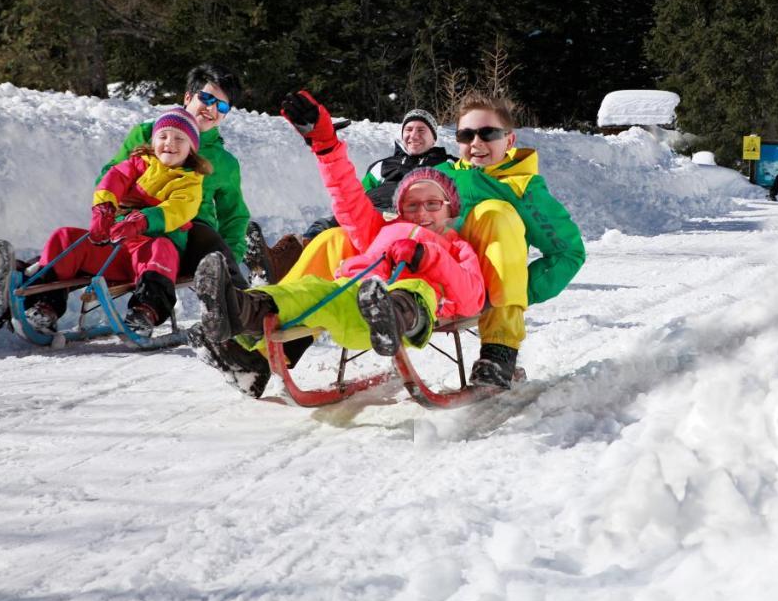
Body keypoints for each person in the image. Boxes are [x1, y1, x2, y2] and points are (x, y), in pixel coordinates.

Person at [188, 91, 486, 399]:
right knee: (311, 291)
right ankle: (240, 309)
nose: (421, 212)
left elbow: (471, 298)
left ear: (450, 210)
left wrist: (426, 256)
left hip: (409, 313)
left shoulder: (454, 246)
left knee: (416, 289)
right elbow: (348, 196)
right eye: (411, 206)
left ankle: (391, 315)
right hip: (354, 297)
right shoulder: (380, 226)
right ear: (399, 211)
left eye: (433, 203)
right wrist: (325, 145)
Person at [0, 108, 210, 337]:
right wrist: (104, 211)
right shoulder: (137, 163)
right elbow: (113, 181)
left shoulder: (190, 180)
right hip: (116, 247)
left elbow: (178, 208)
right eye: (163, 136)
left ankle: (145, 311)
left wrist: (142, 221)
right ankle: (42, 306)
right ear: (153, 140)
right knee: (65, 237)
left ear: (191, 149)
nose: (170, 142)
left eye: (179, 138)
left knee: (162, 248)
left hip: (151, 252)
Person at [438, 91, 585, 388]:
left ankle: (499, 350)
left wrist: (516, 288)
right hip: (430, 279)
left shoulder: (522, 188)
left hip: (484, 290)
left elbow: (569, 252)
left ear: (509, 140)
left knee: (496, 213)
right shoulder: (439, 175)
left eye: (487, 133)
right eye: (466, 135)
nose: (476, 143)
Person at [244, 108, 456, 284]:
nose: (414, 134)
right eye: (409, 129)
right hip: (367, 213)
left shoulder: (446, 167)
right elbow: (355, 193)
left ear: (434, 138)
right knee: (327, 224)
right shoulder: (382, 165)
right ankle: (275, 264)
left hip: (403, 219)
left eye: (422, 130)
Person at [100, 64, 251, 287]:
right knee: (73, 242)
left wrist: (231, 258)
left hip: (190, 238)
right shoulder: (148, 135)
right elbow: (109, 176)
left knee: (204, 235)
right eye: (207, 99)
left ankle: (241, 305)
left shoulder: (223, 162)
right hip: (136, 224)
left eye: (221, 106)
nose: (212, 109)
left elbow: (234, 216)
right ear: (188, 97)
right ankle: (40, 293)